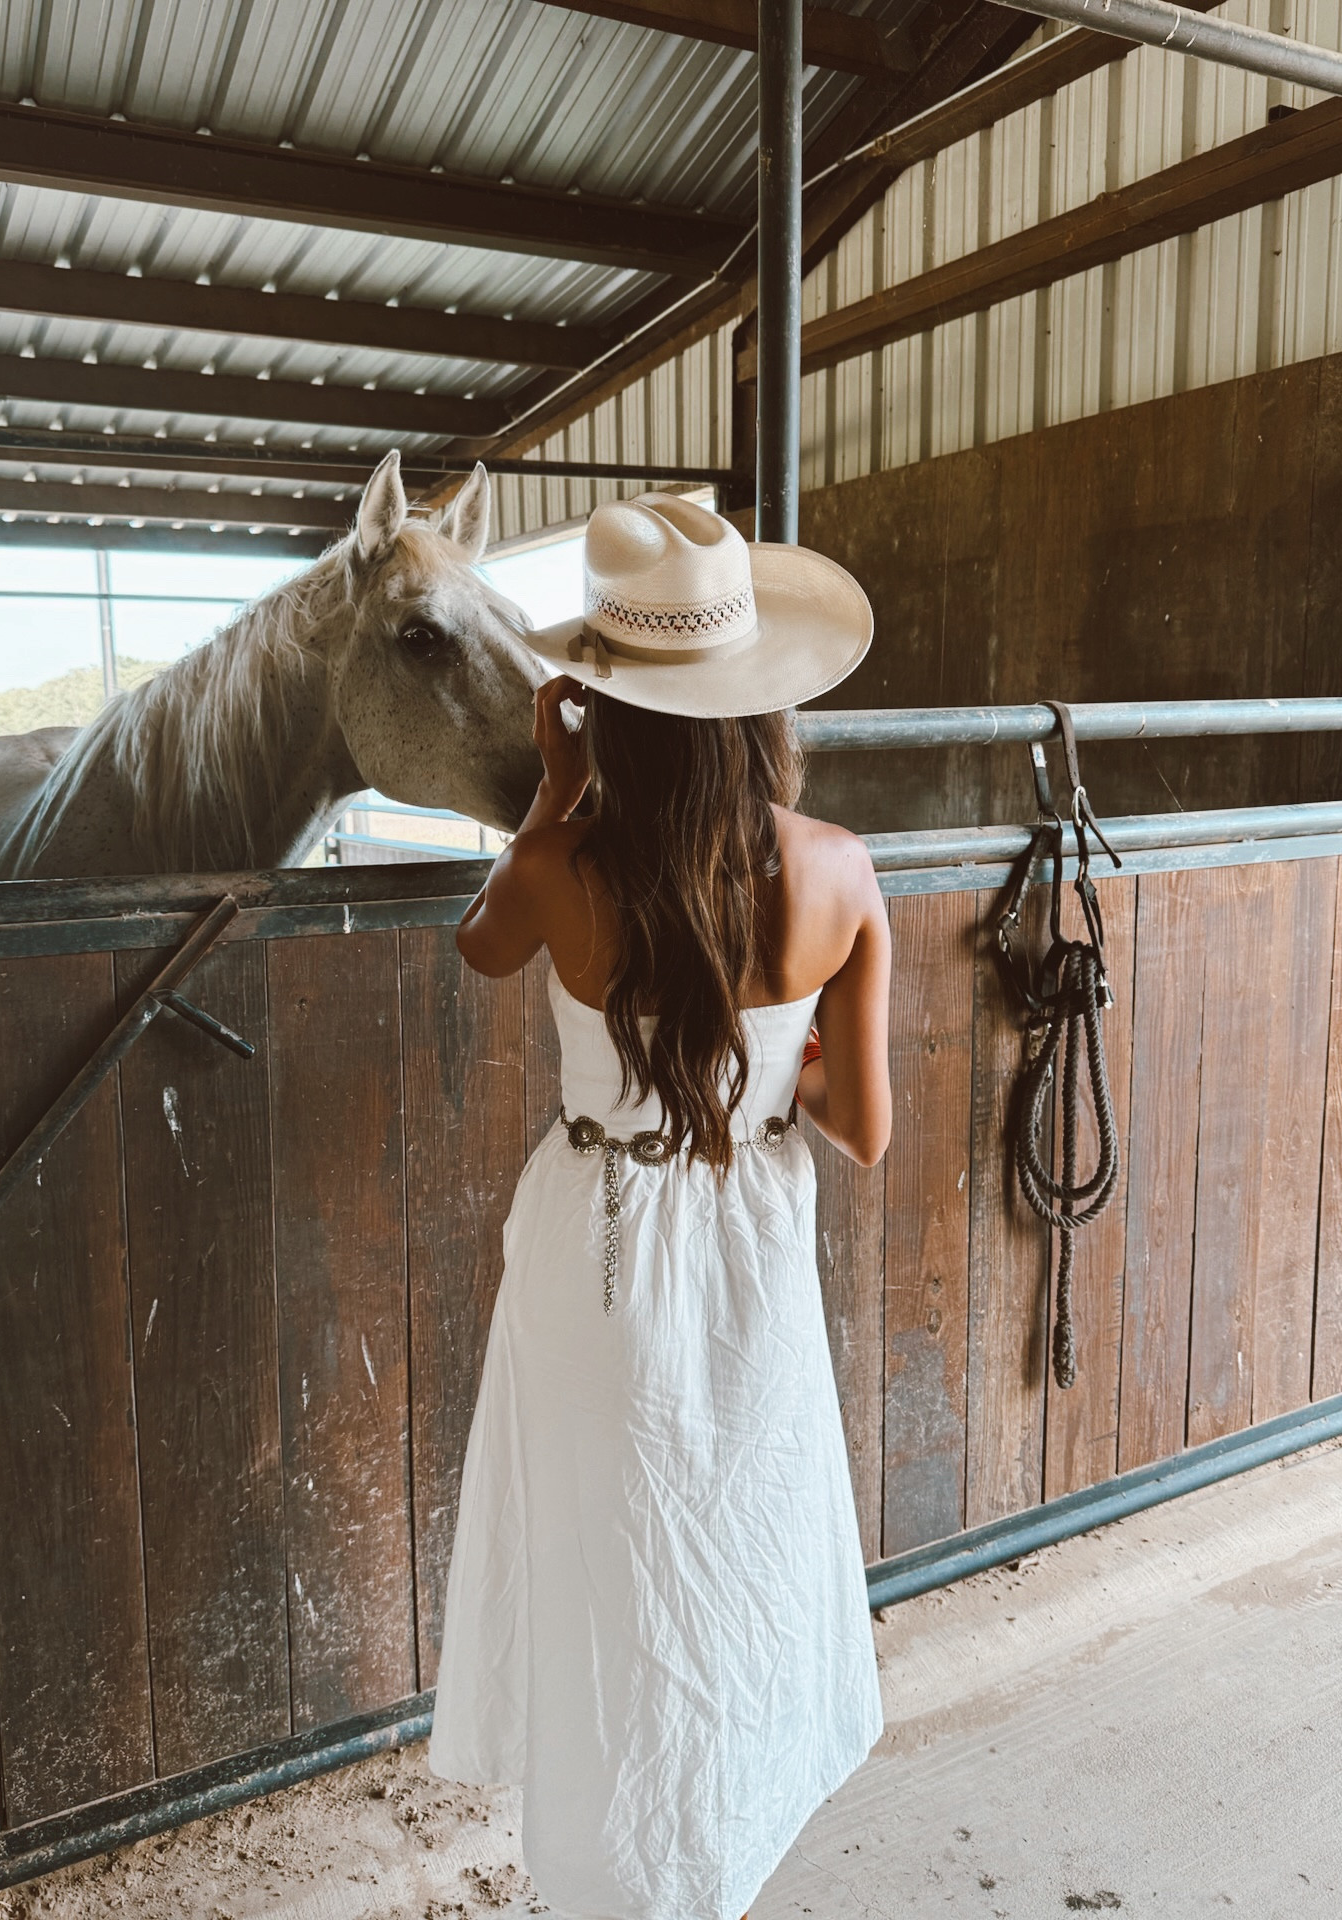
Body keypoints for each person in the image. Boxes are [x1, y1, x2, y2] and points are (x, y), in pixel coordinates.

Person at [425, 492, 891, 1920]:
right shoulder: (839, 870)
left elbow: (477, 942)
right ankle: (716, 1858)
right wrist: (778, 1074)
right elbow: (865, 1130)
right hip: (747, 1256)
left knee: (605, 1575)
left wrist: (557, 786)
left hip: (600, 1258)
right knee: (729, 1561)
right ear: (763, 694)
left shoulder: (561, 871)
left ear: (604, 704)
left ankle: (610, 1875)